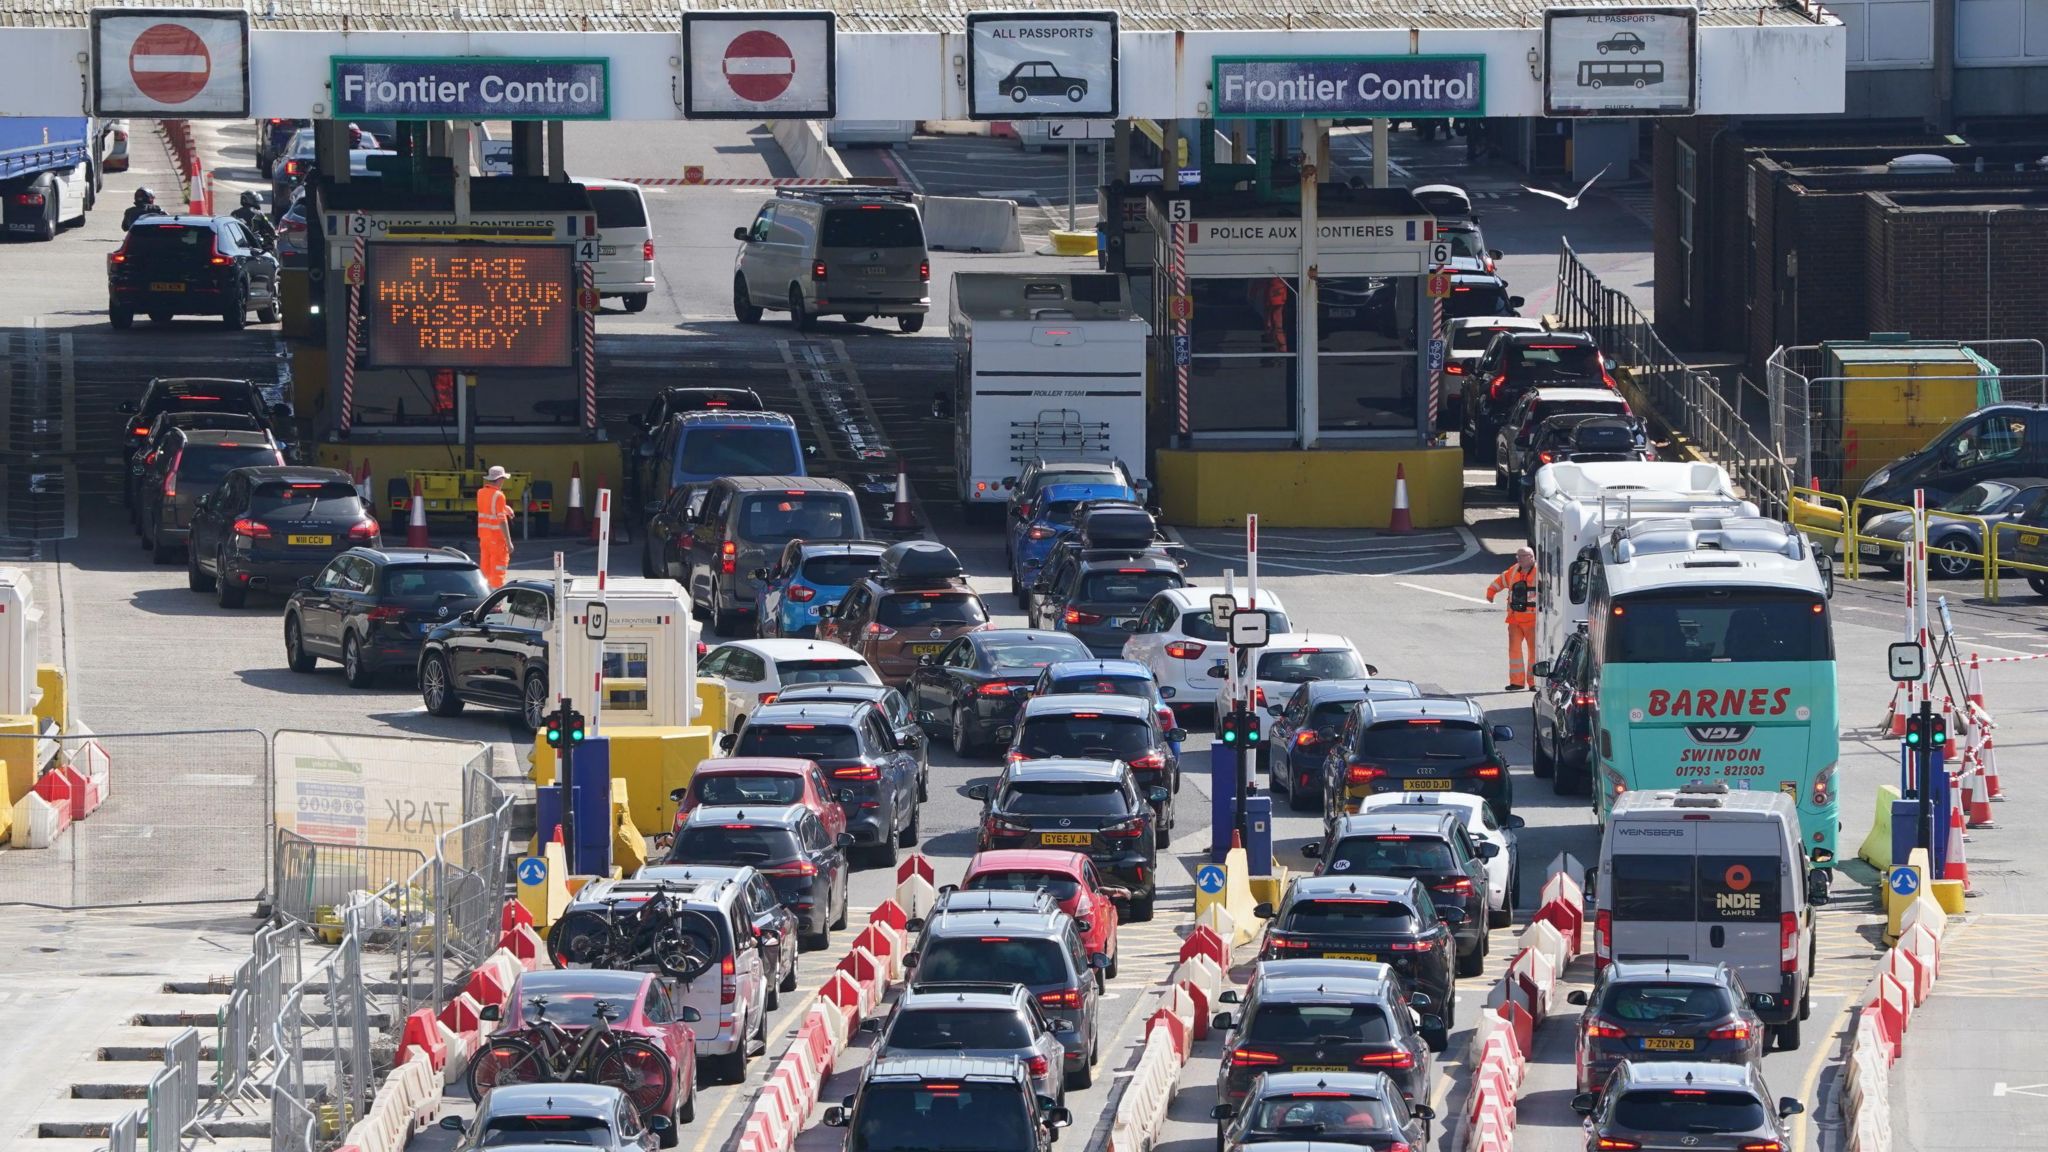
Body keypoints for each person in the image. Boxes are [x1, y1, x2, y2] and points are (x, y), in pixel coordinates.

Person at [1484, 546, 1540, 691]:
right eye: (1518, 557)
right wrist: (1491, 592)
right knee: (1514, 652)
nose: (1519, 559)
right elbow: (1500, 581)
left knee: (1534, 653)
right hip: (1514, 619)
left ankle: (1534, 682)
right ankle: (1517, 682)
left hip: (1533, 621)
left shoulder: (1540, 573)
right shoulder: (1514, 570)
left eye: (1522, 556)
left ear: (1531, 557)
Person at [476, 465, 514, 590]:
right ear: (500, 479)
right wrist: (508, 542)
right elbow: (502, 521)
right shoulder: (499, 496)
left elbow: (489, 509)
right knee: (498, 571)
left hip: (484, 538)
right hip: (497, 540)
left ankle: (485, 596)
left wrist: (504, 508)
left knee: (485, 570)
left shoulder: (480, 493)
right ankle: (497, 603)